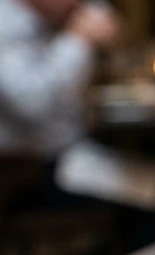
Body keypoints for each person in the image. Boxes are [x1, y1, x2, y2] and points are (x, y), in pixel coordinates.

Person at [0, 0, 117, 158]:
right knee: (151, 176)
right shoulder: (5, 24)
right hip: (28, 166)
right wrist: (77, 39)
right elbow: (32, 104)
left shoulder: (45, 17)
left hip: (68, 148)